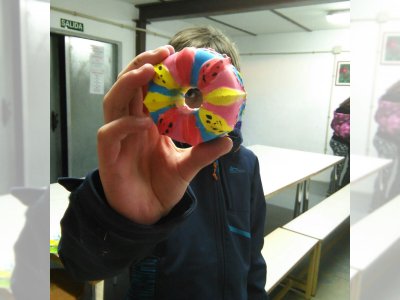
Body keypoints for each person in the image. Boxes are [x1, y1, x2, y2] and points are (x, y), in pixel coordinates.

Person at [58, 26, 268, 300]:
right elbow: (81, 265)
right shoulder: (145, 166)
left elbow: (253, 255)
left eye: (212, 88)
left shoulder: (246, 164)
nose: (198, 103)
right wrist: (116, 217)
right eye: (191, 92)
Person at [372, 80, 400, 208]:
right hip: (390, 140)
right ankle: (381, 205)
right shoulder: (394, 101)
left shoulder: (385, 99)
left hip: (382, 139)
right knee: (387, 174)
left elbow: (377, 117)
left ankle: (377, 204)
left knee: (384, 174)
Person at [328, 98, 350, 194]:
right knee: (345, 168)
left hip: (336, 141)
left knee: (338, 168)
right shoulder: (351, 113)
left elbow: (333, 125)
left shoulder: (339, 111)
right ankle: (338, 191)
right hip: (344, 143)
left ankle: (333, 190)